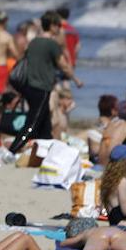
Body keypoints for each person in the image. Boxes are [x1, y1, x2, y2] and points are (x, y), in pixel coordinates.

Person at [12, 11, 81, 150]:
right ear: (52, 26)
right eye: (58, 26)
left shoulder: (33, 42)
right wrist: (76, 79)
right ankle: (13, 150)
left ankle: (47, 150)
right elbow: (63, 65)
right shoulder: (52, 44)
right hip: (41, 87)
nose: (60, 29)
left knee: (45, 123)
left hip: (28, 85)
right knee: (33, 124)